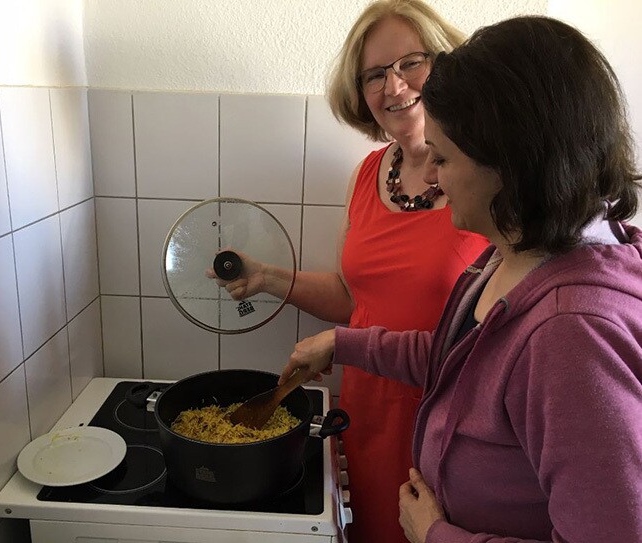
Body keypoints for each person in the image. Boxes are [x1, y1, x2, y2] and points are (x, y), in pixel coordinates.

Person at [280, 15, 642, 543]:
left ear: (510, 162)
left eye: (444, 158)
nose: (431, 176)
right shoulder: (513, 254)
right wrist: (345, 343)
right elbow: (461, 363)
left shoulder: (574, 335)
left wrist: (435, 535)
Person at [208, 1, 489, 540]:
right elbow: (354, 299)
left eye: (412, 63)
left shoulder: (483, 177)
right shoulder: (368, 174)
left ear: (447, 64)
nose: (395, 85)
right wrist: (268, 277)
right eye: (375, 75)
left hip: (446, 425)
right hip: (365, 411)